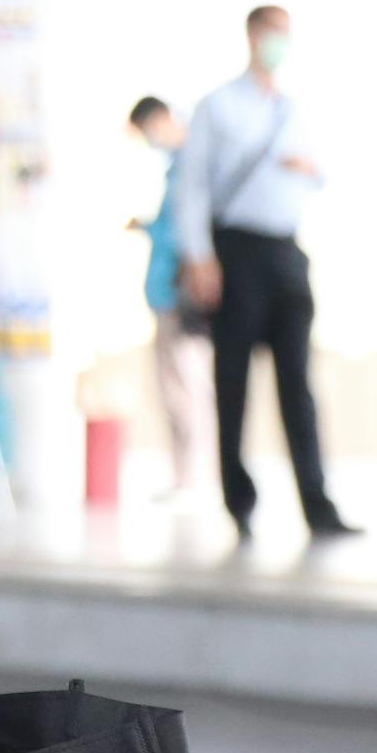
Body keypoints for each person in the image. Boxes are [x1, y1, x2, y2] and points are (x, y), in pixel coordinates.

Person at [174, 6, 359, 542]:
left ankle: (317, 503)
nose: (277, 42)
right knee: (232, 382)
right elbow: (194, 188)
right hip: (236, 252)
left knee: (297, 383)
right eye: (270, 32)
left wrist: (310, 171)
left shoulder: (293, 109)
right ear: (252, 36)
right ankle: (239, 500)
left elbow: (319, 173)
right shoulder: (218, 107)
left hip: (285, 252)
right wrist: (200, 256)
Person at [128, 95, 214, 498]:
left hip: (181, 296)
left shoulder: (194, 170)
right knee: (176, 389)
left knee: (187, 389)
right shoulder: (178, 170)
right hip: (166, 294)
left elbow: (185, 235)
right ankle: (186, 477)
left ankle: (195, 479)